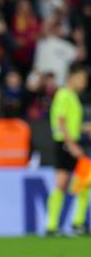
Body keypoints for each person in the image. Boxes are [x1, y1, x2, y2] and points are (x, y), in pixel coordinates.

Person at [46, 62, 89, 236]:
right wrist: (71, 145)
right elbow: (61, 121)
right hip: (65, 144)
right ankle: (54, 225)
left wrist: (86, 128)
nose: (84, 83)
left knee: (83, 182)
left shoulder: (71, 96)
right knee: (64, 183)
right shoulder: (64, 94)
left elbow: (71, 124)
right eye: (82, 78)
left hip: (69, 142)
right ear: (71, 77)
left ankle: (73, 223)